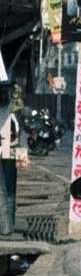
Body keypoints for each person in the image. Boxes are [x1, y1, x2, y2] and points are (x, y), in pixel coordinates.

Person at [0, 89, 19, 232]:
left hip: (9, 153)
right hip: (9, 154)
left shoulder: (10, 115)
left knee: (7, 190)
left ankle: (7, 226)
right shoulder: (12, 114)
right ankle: (8, 225)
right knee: (9, 190)